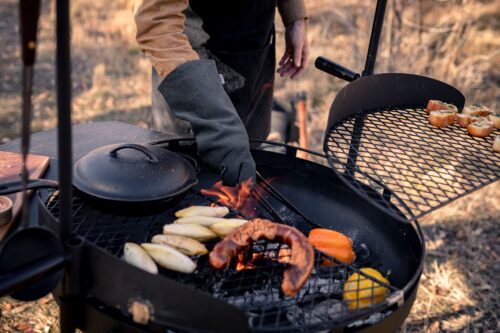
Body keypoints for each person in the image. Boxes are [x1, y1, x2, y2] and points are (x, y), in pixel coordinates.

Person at [134, 0, 309, 186]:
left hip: (256, 55)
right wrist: (215, 120)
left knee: (247, 169)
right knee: (184, 180)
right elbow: (157, 21)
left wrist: (294, 16)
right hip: (192, 70)